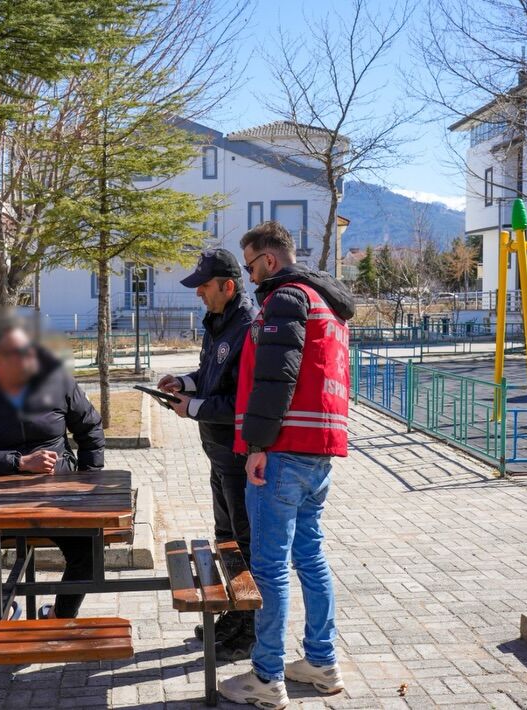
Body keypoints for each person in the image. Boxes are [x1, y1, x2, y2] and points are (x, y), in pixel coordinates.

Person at [218, 221, 355, 709]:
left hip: (284, 449)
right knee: (310, 556)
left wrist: (256, 444)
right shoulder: (327, 304)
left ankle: (267, 675)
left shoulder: (286, 300)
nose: (251, 277)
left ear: (269, 260)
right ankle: (321, 662)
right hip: (320, 447)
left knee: (270, 566)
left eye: (252, 266)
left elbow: (276, 378)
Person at [0, 313, 105, 621]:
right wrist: (19, 462)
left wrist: (87, 482)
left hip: (55, 500)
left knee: (90, 552)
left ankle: (59, 616)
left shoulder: (58, 380)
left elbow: (91, 428)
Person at [158, 248, 257, 660]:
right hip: (217, 452)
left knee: (244, 542)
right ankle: (233, 615)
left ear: (227, 286)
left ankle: (248, 626)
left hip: (236, 454)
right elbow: (211, 376)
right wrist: (183, 382)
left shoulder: (248, 326)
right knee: (226, 537)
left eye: (203, 286)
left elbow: (243, 399)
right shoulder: (218, 321)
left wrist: (193, 408)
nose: (198, 293)